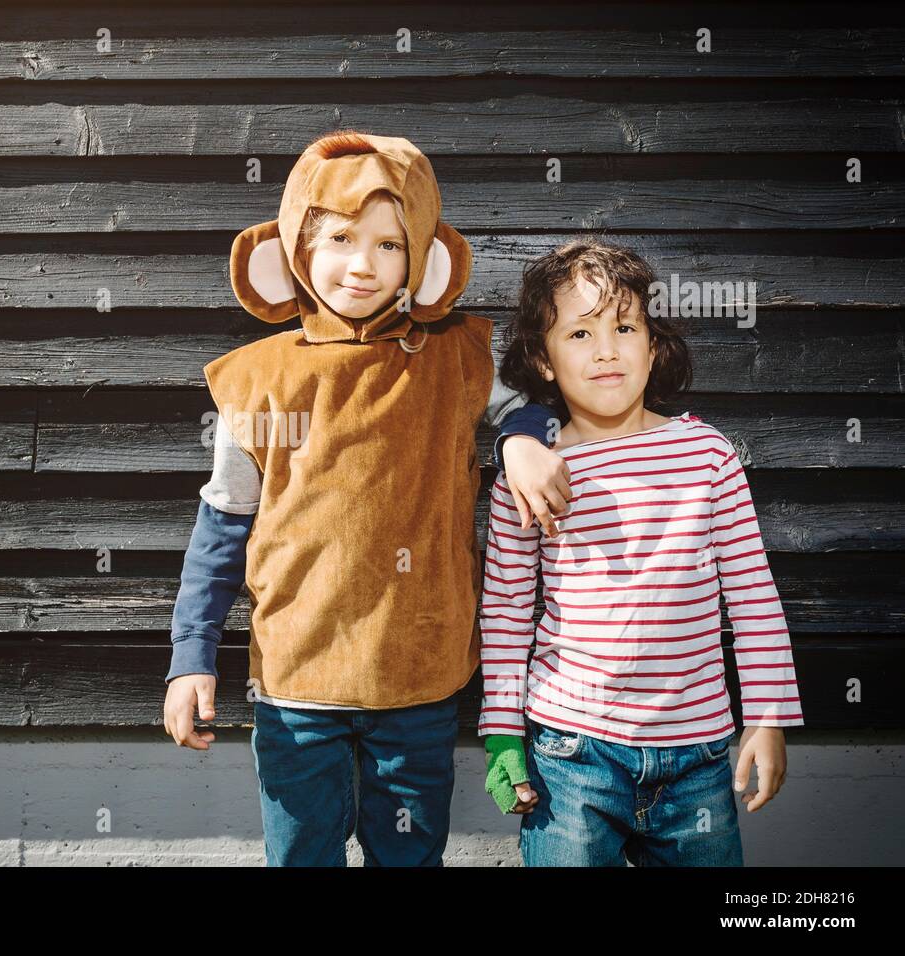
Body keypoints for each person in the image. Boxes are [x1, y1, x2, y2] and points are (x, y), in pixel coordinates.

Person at [160, 129, 571, 866]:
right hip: (296, 686)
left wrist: (521, 443)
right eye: (343, 238)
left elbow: (522, 409)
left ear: (423, 254)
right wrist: (191, 657)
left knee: (409, 857)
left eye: (389, 244)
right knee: (301, 855)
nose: (363, 264)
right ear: (293, 250)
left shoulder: (452, 358)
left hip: (415, 679)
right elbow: (222, 526)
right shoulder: (261, 380)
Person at [477, 237, 804, 866]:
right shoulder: (534, 471)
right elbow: (508, 610)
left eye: (624, 327)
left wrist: (767, 716)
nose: (605, 350)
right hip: (572, 755)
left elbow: (754, 593)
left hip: (700, 758)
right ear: (542, 361)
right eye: (578, 334)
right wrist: (500, 734)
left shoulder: (707, 457)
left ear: (653, 347)